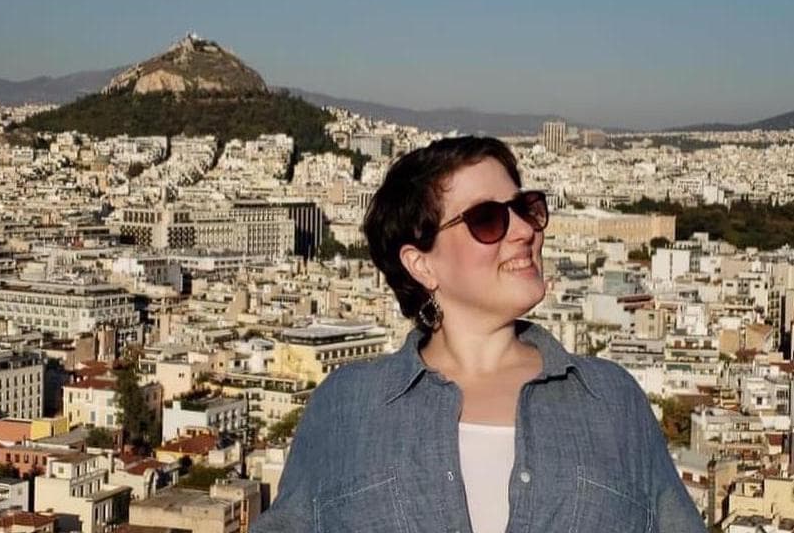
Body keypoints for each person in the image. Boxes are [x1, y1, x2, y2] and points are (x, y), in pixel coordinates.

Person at [252, 136, 706, 533]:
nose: (526, 231)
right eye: (488, 219)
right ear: (421, 264)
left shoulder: (612, 400)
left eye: (526, 209)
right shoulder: (346, 406)